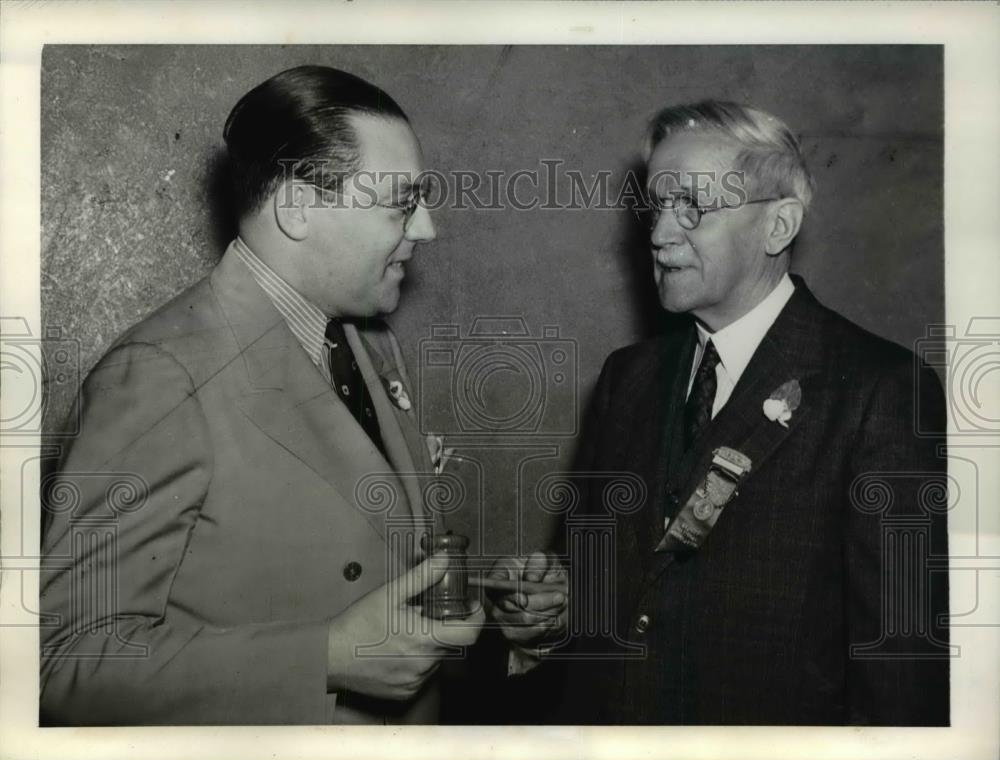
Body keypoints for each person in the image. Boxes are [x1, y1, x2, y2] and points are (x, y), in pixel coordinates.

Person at [39, 65, 486, 725]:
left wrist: (497, 612)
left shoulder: (368, 343)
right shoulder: (160, 375)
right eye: (402, 201)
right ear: (298, 208)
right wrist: (323, 658)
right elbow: (58, 661)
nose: (426, 228)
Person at [506, 100, 950, 725]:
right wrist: (549, 619)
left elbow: (900, 671)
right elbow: (600, 598)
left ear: (779, 227)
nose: (660, 234)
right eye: (656, 206)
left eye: (692, 206)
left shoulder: (882, 390)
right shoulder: (626, 379)